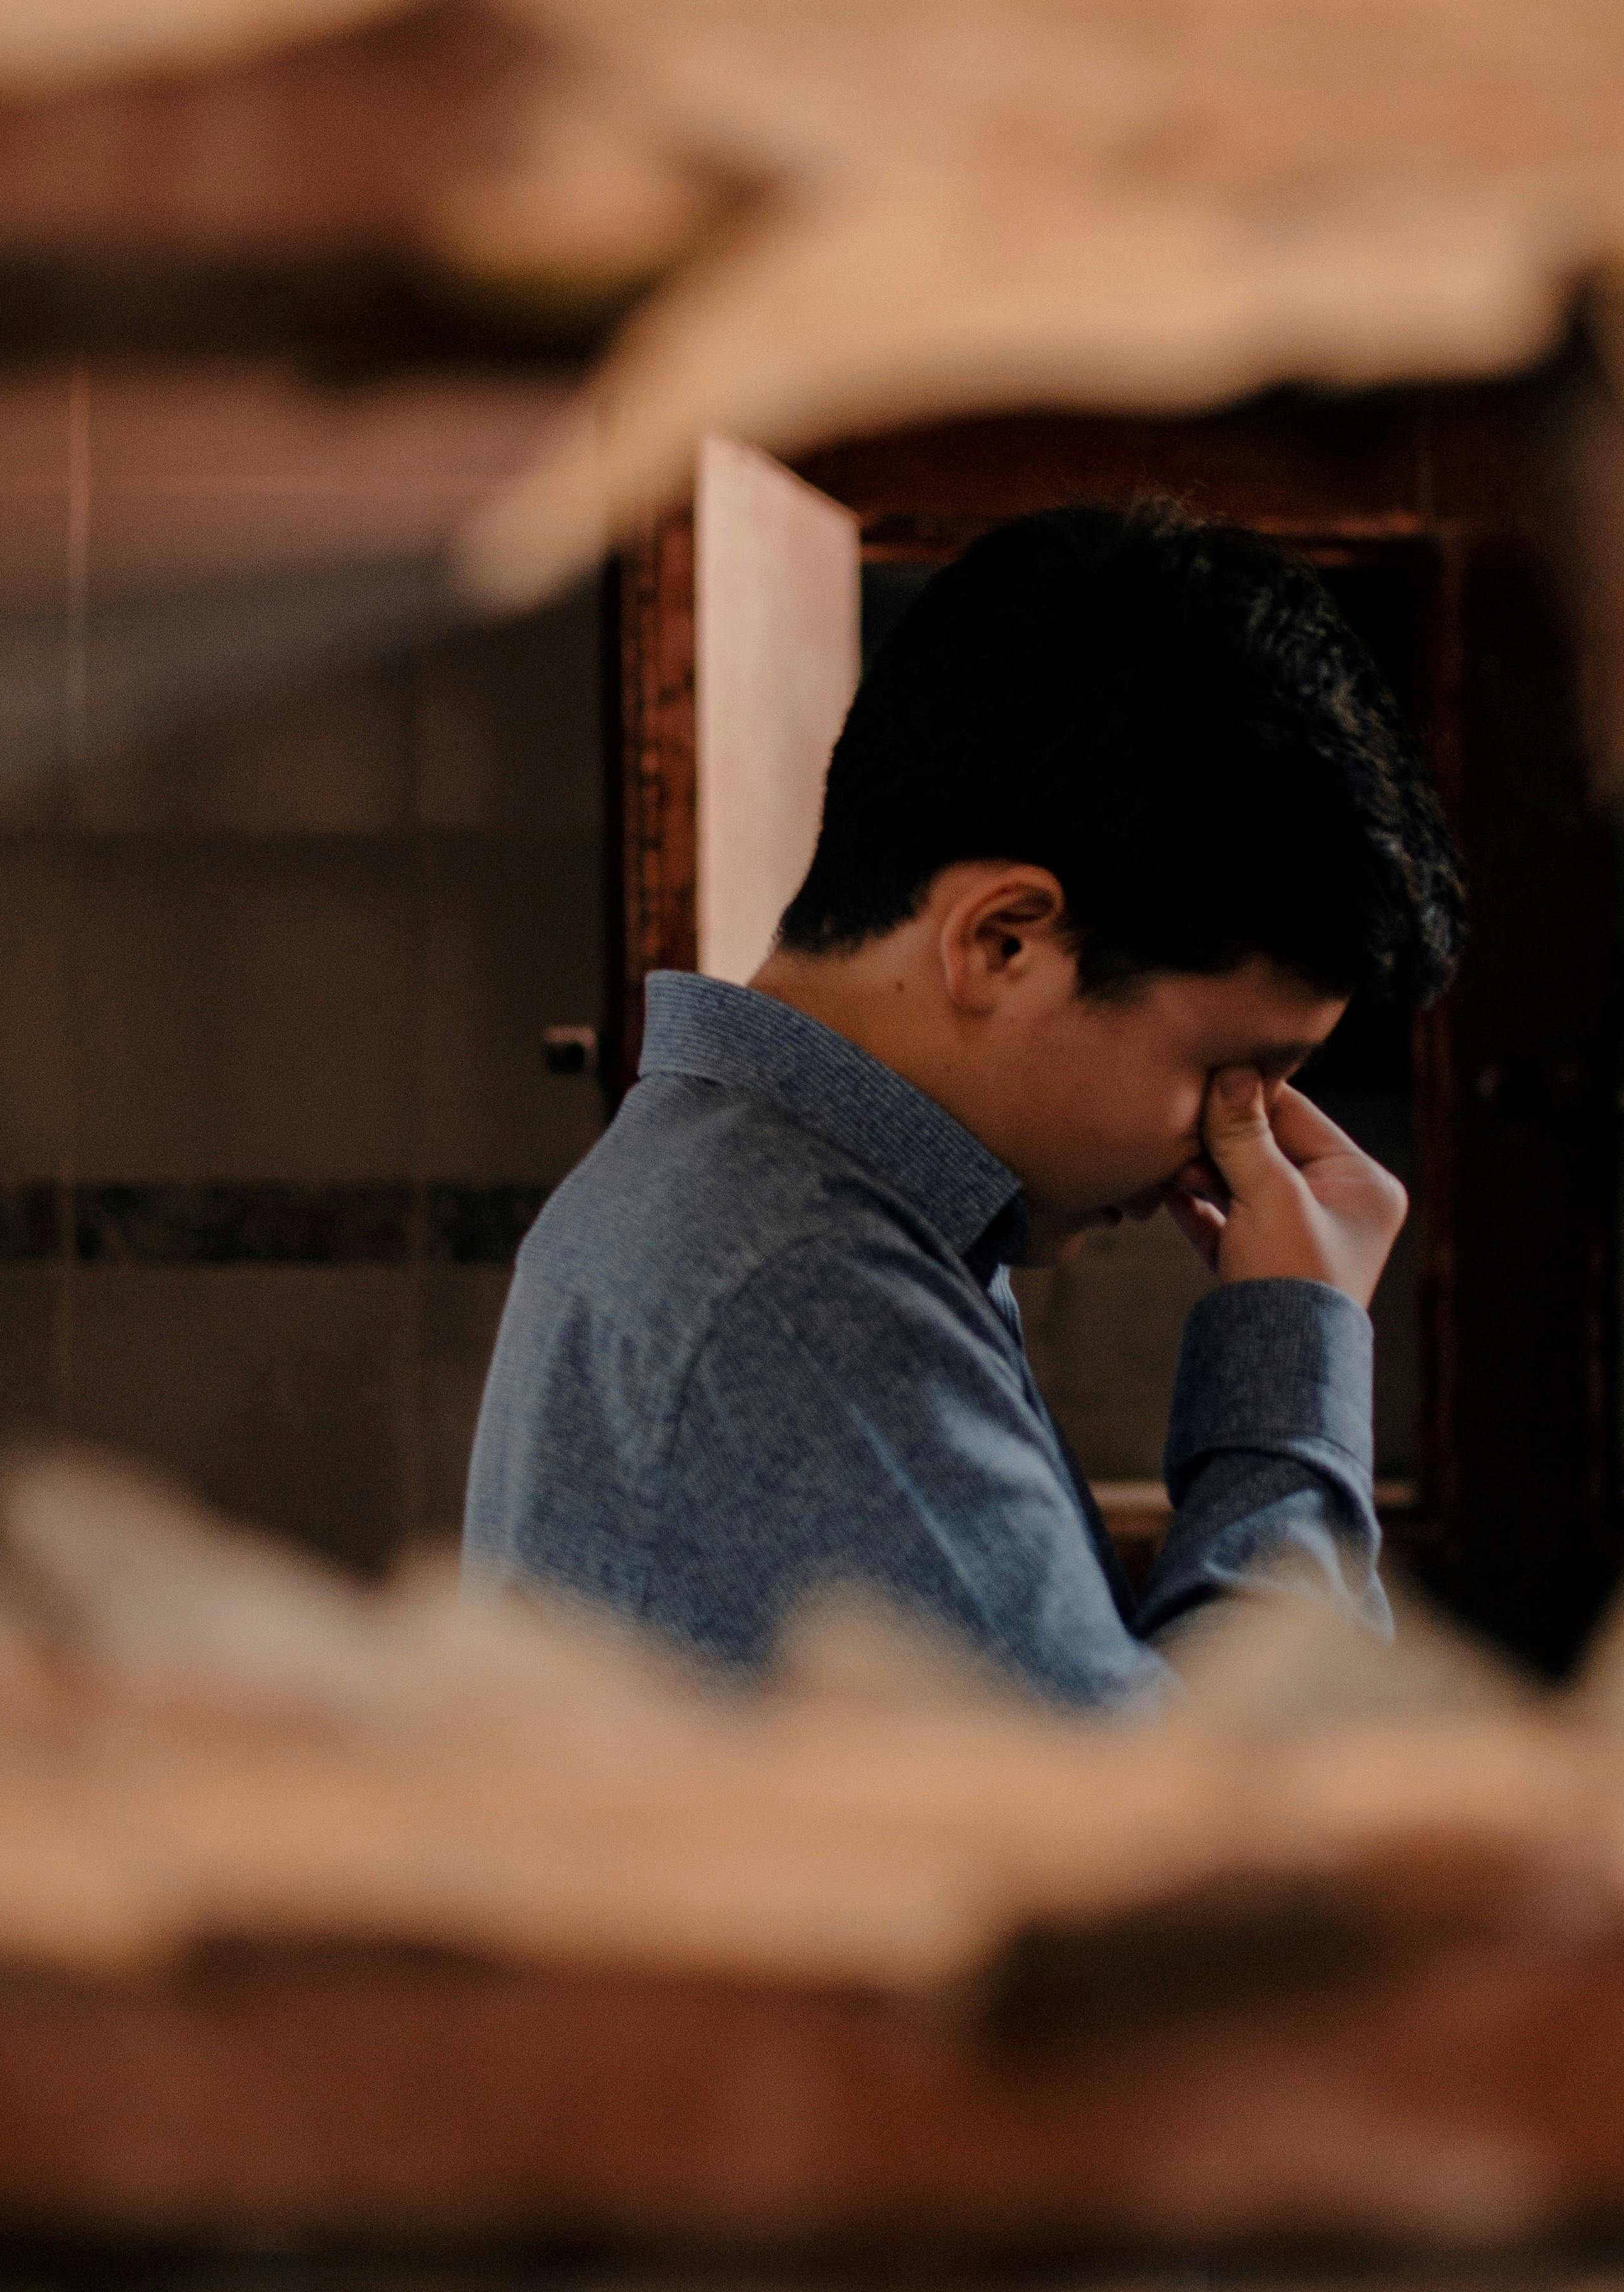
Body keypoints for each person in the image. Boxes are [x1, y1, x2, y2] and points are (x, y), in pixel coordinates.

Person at [465, 501, 1463, 1705]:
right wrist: (1295, 1347)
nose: (1240, 1137)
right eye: (1229, 1070)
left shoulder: (778, 1202)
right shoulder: (801, 1288)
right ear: (1002, 942)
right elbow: (1200, 1813)